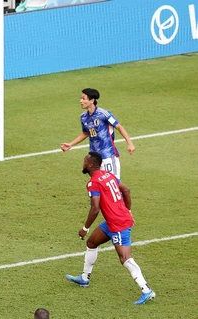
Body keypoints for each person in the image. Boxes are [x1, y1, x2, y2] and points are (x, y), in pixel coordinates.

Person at [65, 152, 155, 305]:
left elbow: (95, 209)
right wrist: (128, 211)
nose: (83, 163)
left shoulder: (93, 183)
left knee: (125, 259)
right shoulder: (107, 174)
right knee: (92, 243)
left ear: (91, 165)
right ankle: (84, 278)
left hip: (118, 224)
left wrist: (85, 228)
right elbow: (125, 190)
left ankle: (146, 290)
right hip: (114, 221)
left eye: (85, 161)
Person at [61, 88, 135, 179]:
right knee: (100, 186)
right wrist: (70, 144)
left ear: (92, 100)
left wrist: (130, 143)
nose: (81, 101)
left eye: (83, 98)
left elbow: (119, 127)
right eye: (81, 98)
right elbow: (85, 133)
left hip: (108, 156)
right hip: (94, 159)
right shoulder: (83, 117)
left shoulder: (104, 114)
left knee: (115, 185)